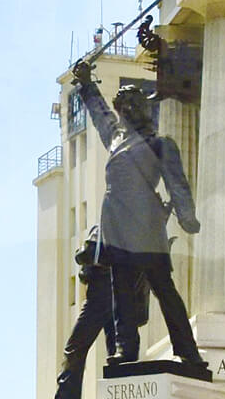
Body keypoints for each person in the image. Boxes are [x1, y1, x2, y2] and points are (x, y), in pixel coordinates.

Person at [71, 63, 207, 369]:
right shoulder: (116, 139)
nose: (131, 110)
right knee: (121, 294)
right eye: (125, 106)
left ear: (144, 110)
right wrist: (85, 84)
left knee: (164, 291)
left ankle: (188, 350)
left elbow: (177, 184)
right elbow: (99, 114)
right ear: (121, 112)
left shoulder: (160, 144)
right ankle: (125, 349)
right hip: (116, 228)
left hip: (146, 228)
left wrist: (187, 216)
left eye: (136, 104)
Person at [42, 228, 148, 399]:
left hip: (102, 293)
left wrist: (84, 254)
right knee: (116, 351)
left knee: (75, 348)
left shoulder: (106, 227)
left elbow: (85, 255)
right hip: (115, 293)